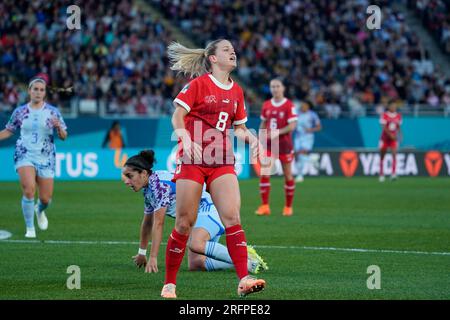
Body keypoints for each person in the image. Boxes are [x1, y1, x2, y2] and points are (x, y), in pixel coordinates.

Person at [162, 39, 266, 298]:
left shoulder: (237, 91)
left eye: (234, 48)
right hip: (193, 160)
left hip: (221, 160)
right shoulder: (198, 85)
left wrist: (253, 139)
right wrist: (184, 137)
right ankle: (170, 284)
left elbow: (239, 127)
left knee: (233, 218)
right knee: (185, 222)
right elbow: (177, 115)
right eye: (227, 49)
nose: (233, 52)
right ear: (213, 58)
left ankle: (244, 279)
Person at [121, 150, 268, 275]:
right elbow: (147, 223)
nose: (126, 181)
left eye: (130, 176)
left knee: (195, 243)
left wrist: (153, 257)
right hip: (198, 218)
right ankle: (246, 262)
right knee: (196, 263)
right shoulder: (148, 190)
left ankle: (245, 257)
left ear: (144, 173)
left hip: (209, 209)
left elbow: (159, 223)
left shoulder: (158, 185)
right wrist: (142, 252)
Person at [0, 75, 68, 238]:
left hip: (46, 158)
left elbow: (64, 136)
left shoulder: (53, 112)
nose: (38, 92)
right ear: (29, 91)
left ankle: (39, 210)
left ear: (45, 93)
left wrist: (59, 128)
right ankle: (30, 228)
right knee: (29, 190)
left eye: (41, 90)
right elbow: (9, 130)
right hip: (25, 154)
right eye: (35, 89)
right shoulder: (20, 111)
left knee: (45, 199)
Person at [255, 78, 298, 217]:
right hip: (269, 145)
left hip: (284, 145)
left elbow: (292, 125)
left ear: (283, 88)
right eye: (272, 86)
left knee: (288, 175)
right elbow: (263, 123)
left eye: (277, 86)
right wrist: (260, 139)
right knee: (265, 172)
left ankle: (288, 207)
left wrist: (277, 132)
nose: (275, 89)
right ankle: (265, 206)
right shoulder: (266, 105)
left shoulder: (289, 105)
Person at [294, 101, 322, 183]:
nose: (303, 106)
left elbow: (319, 127)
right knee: (298, 155)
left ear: (308, 107)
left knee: (302, 153)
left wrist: (311, 129)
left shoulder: (312, 115)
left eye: (304, 105)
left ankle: (300, 175)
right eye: (302, 105)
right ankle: (312, 159)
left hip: (308, 137)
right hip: (298, 137)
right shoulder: (297, 113)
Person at [379, 100, 402, 182]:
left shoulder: (398, 116)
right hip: (384, 138)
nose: (394, 107)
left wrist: (400, 135)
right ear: (388, 106)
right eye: (392, 106)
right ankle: (381, 174)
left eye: (395, 106)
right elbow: (383, 127)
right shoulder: (384, 115)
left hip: (393, 139)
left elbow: (398, 127)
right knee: (382, 156)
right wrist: (390, 135)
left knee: (394, 155)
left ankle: (393, 173)